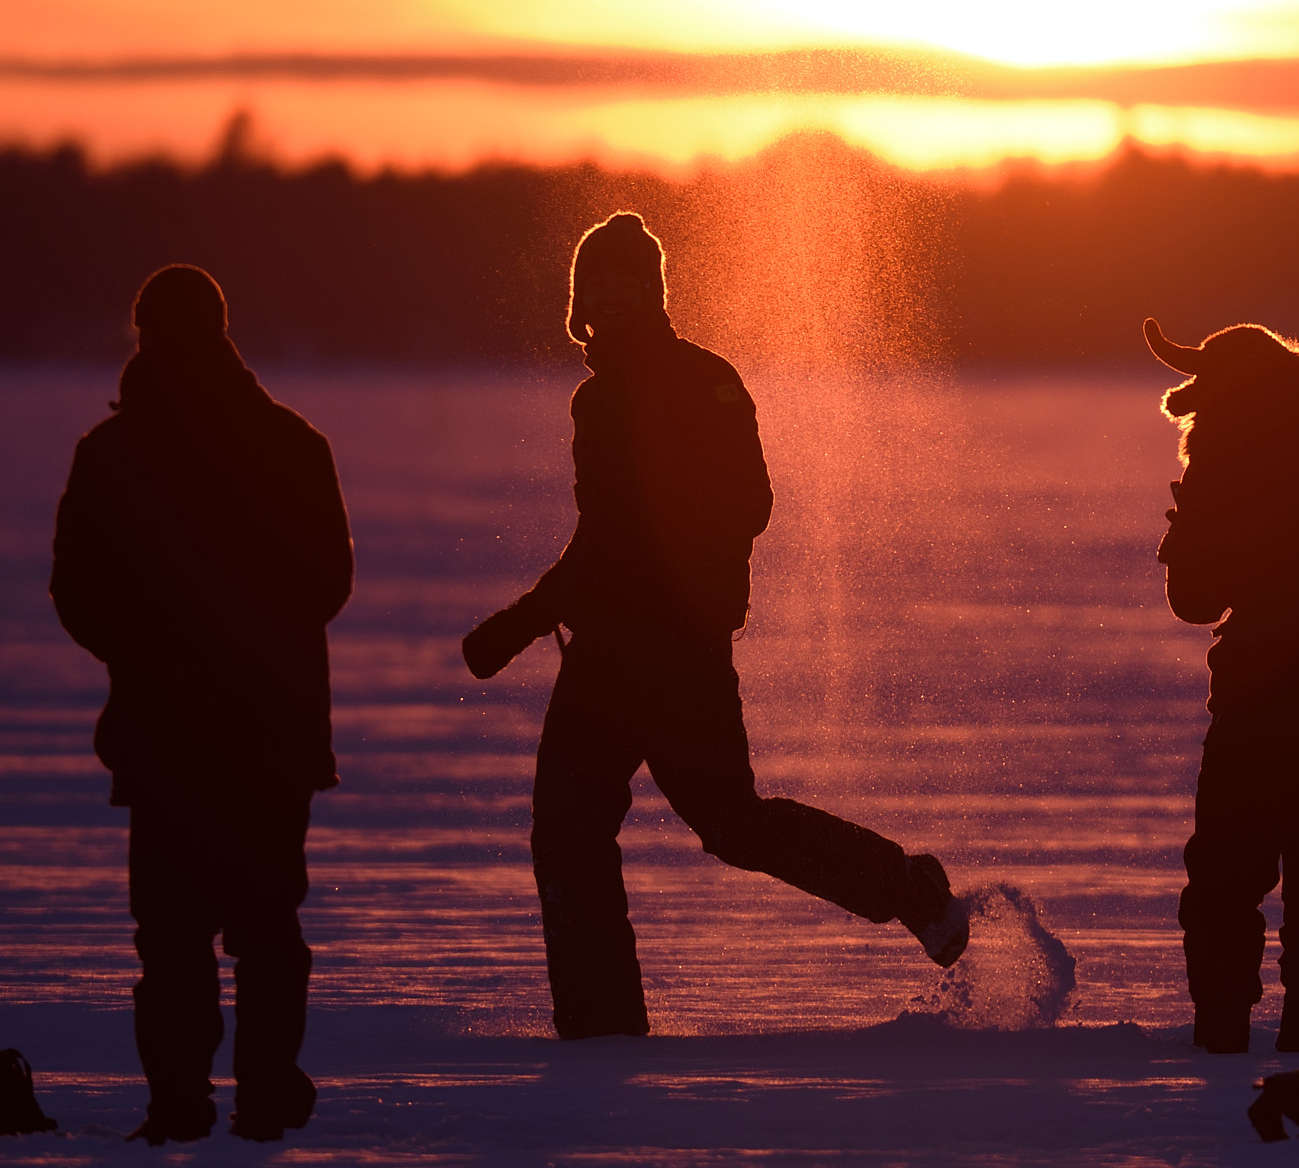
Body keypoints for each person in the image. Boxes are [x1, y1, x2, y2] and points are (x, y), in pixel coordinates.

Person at [460, 213, 969, 1038]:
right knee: (718, 823)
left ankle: (602, 1029)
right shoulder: (705, 379)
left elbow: (618, 537)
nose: (606, 308)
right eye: (601, 293)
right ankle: (905, 887)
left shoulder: (621, 397)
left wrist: (519, 623)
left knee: (594, 830)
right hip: (675, 651)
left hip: (637, 657)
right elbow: (735, 510)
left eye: (617, 291)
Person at [50, 266, 353, 1144]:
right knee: (265, 926)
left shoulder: (110, 455)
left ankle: (180, 1102)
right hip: (270, 735)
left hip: (165, 734)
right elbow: (328, 583)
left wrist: (147, 650)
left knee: (173, 933)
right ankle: (261, 1092)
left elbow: (76, 590)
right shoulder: (293, 443)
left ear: (144, 333)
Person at [1144, 317, 1299, 1055]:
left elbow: (1195, 601)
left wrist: (1185, 537)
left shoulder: (1226, 461)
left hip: (1255, 701)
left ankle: (1221, 1023)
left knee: (1225, 870)